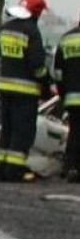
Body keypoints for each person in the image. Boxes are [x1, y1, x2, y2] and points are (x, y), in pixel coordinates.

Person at [0, 0, 50, 183]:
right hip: (25, 92)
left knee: (6, 130)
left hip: (5, 89)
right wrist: (46, 87)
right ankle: (15, 172)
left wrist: (8, 67)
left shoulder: (5, 28)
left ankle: (2, 170)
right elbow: (38, 66)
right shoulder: (32, 31)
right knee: (21, 132)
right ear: (36, 12)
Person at [53, 13, 80, 182]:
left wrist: (63, 94)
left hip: (71, 98)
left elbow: (58, 73)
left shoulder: (66, 39)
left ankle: (69, 167)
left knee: (74, 132)